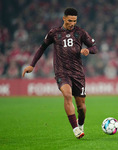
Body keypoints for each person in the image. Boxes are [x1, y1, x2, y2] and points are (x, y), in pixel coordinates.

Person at [22, 8, 98, 139]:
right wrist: (32, 65)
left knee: (82, 107)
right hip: (61, 72)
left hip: (78, 73)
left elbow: (94, 48)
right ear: (63, 18)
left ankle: (80, 124)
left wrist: (88, 51)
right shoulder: (54, 33)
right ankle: (75, 130)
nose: (72, 23)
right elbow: (42, 47)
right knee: (67, 95)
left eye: (74, 21)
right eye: (69, 20)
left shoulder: (80, 33)